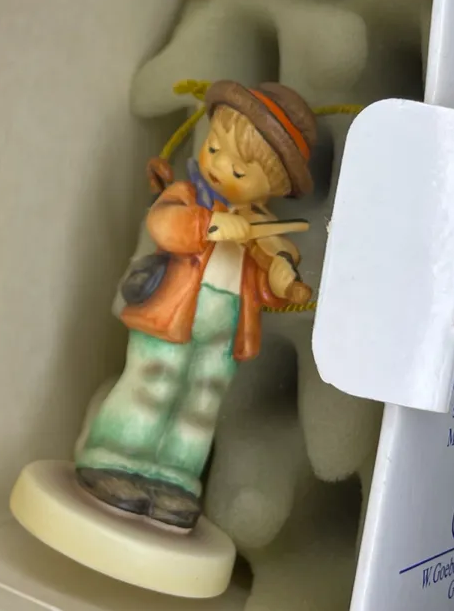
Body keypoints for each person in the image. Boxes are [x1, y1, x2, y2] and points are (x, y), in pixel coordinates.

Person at [75, 80, 317, 529]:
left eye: (239, 171)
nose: (220, 167)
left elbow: (273, 270)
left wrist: (283, 276)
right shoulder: (189, 196)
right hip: (172, 317)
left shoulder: (261, 227)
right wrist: (209, 225)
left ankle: (175, 476)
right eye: (214, 148)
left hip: (222, 334)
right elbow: (165, 225)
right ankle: (112, 457)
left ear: (272, 189)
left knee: (202, 399)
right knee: (154, 382)